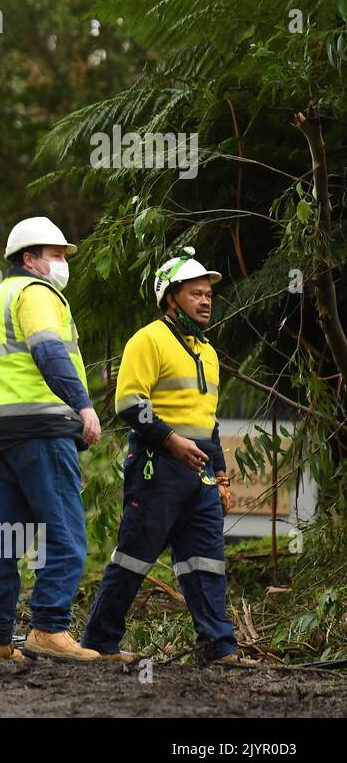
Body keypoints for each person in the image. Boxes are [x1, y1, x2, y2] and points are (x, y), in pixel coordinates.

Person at [82, 249, 245, 664]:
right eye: (196, 293)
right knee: (134, 557)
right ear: (171, 298)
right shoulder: (148, 339)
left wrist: (221, 474)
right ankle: (100, 642)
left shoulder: (207, 351)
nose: (207, 300)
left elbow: (207, 421)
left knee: (206, 561)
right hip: (157, 467)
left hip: (200, 471)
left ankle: (218, 646)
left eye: (209, 294)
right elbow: (129, 403)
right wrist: (171, 441)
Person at [0, 217, 102, 662]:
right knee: (64, 530)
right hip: (40, 429)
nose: (63, 263)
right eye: (57, 254)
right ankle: (48, 628)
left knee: (3, 537)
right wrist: (83, 404)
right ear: (30, 259)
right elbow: (48, 349)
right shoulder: (36, 293)